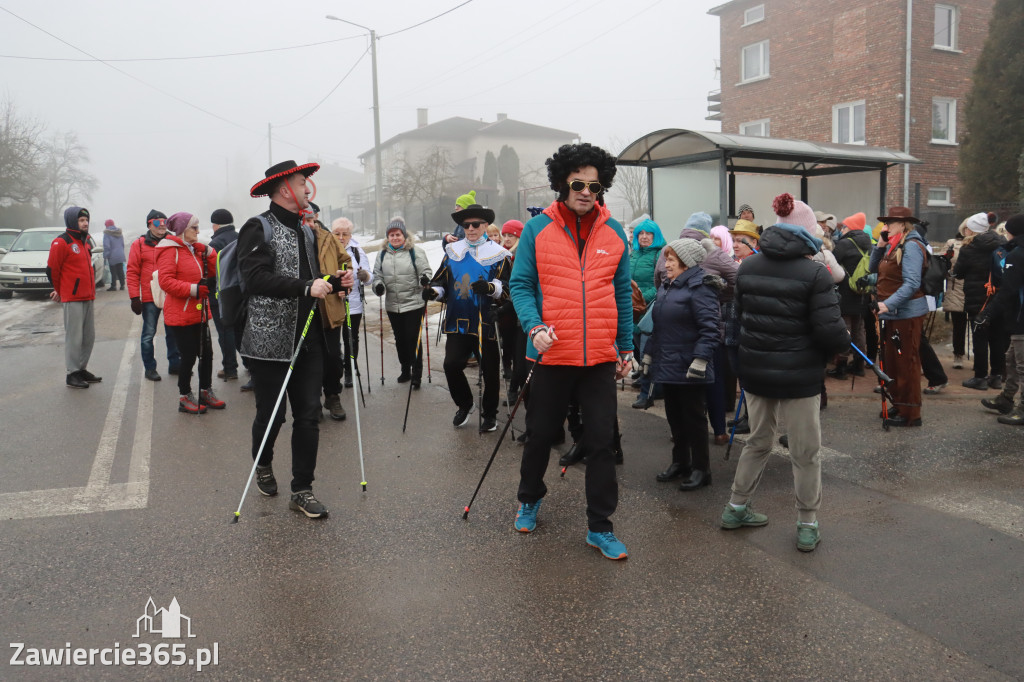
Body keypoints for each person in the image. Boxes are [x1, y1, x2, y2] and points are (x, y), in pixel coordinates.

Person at [509, 142, 633, 561]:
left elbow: (620, 294)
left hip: (598, 355)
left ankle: (600, 526)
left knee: (600, 443)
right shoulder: (536, 230)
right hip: (551, 353)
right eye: (578, 184)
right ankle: (529, 497)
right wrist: (534, 325)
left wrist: (627, 348)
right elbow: (520, 285)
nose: (585, 192)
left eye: (594, 187)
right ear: (563, 183)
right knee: (541, 435)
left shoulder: (614, 233)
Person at [721, 193, 848, 553]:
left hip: (757, 371)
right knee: (805, 452)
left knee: (758, 441)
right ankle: (807, 523)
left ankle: (736, 507)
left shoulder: (747, 266)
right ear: (808, 234)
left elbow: (743, 315)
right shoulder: (815, 273)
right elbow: (830, 331)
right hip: (799, 375)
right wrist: (843, 340)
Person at [238, 160, 354, 519]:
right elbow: (255, 279)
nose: (308, 189)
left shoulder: (307, 231)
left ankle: (302, 488)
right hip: (268, 342)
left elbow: (313, 278)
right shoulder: (257, 228)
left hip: (309, 337)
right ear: (284, 188)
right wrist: (306, 286)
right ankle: (263, 463)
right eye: (303, 182)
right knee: (272, 416)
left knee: (307, 414)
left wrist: (335, 282)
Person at [425, 204, 512, 431]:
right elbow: (441, 282)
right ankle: (465, 404)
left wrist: (491, 287)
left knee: (490, 370)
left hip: (485, 320)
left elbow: (508, 287)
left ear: (485, 226)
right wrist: (433, 292)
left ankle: (490, 414)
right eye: (466, 225)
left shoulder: (499, 255)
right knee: (451, 364)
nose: (471, 229)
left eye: (475, 225)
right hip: (458, 320)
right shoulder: (453, 252)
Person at [643, 238, 720, 489]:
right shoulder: (668, 286)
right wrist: (649, 353)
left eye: (671, 260)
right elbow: (660, 327)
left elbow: (710, 329)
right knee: (674, 416)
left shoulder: (701, 287)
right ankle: (680, 462)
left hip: (690, 366)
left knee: (694, 418)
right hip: (668, 363)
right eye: (667, 259)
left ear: (686, 264)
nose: (666, 265)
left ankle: (701, 469)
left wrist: (700, 359)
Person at [869, 207, 930, 427]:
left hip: (907, 314)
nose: (885, 228)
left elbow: (912, 283)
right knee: (894, 361)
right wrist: (880, 246)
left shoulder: (912, 246)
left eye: (889, 223)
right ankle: (899, 403)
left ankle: (911, 413)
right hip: (894, 313)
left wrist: (887, 304)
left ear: (903, 225)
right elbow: (872, 268)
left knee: (907, 362)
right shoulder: (894, 245)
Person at [157, 212, 223, 414]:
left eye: (198, 227)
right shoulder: (170, 251)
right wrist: (193, 289)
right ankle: (184, 396)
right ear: (182, 230)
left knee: (207, 354)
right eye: (193, 227)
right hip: (181, 314)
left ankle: (205, 390)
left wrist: (208, 251)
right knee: (188, 357)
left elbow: (213, 270)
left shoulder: (192, 250)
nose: (197, 231)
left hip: (199, 312)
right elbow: (165, 282)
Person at [371, 217, 432, 388]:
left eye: (398, 234)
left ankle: (417, 374)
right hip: (393, 305)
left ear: (404, 235)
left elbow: (425, 271)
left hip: (414, 303)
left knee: (413, 338)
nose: (395, 238)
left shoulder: (415, 251)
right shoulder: (382, 254)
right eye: (391, 235)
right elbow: (378, 275)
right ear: (387, 237)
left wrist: (425, 279)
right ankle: (405, 369)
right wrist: (379, 286)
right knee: (400, 339)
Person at [47, 206, 101, 389]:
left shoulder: (85, 242)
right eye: (81, 220)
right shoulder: (61, 242)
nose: (85, 223)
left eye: (86, 220)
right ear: (72, 222)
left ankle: (81, 369)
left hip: (88, 296)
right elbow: (53, 269)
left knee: (88, 337)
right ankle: (72, 373)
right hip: (72, 297)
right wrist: (59, 290)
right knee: (74, 337)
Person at [978, 214, 1024, 424]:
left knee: (1020, 364)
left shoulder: (1017, 255)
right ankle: (1006, 399)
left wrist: (988, 313)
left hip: (1020, 318)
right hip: (1016, 317)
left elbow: (1007, 290)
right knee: (1012, 360)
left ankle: (1022, 409)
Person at [954, 212, 1009, 390]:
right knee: (997, 337)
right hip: (999, 296)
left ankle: (980, 376)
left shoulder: (969, 248)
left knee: (980, 336)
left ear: (971, 229)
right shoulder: (1002, 243)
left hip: (978, 297)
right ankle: (996, 376)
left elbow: (959, 273)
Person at [127, 210, 181, 381]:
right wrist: (135, 297)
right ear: (149, 224)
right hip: (150, 297)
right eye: (157, 222)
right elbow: (132, 271)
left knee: (173, 331)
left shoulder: (173, 242)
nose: (162, 225)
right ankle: (150, 368)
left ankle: (175, 364)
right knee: (148, 333)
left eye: (164, 221)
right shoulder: (140, 244)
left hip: (171, 294)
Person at [312, 217, 351, 422]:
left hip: (331, 308)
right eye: (305, 219)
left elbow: (345, 261)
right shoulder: (293, 239)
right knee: (310, 360)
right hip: (306, 309)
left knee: (333, 356)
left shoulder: (328, 237)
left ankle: (333, 395)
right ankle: (313, 401)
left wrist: (345, 278)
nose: (309, 223)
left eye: (311, 219)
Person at [830, 213, 872, 379]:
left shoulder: (845, 243)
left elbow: (833, 263)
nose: (842, 229)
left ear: (850, 227)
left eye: (844, 226)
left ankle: (841, 367)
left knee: (844, 330)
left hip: (846, 292)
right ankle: (859, 365)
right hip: (862, 292)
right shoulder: (868, 243)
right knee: (859, 329)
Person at [332, 218, 372, 388]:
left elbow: (369, 277)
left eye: (345, 234)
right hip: (332, 301)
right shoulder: (327, 250)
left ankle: (350, 369)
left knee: (351, 339)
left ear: (350, 235)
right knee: (333, 340)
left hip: (353, 302)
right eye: (337, 233)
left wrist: (365, 276)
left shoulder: (357, 251)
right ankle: (334, 372)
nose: (341, 237)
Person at [208, 208, 240, 381]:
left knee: (225, 333)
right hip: (241, 292)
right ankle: (251, 366)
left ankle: (230, 369)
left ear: (216, 225)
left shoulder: (215, 244)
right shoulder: (240, 238)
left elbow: (212, 273)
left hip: (221, 295)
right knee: (242, 330)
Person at [943, 219, 970, 369]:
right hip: (956, 288)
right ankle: (958, 354)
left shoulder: (980, 244)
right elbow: (944, 262)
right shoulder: (952, 243)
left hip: (974, 288)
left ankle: (979, 359)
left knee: (977, 326)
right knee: (959, 324)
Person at [102, 219, 126, 291]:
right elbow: (122, 244)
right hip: (120, 254)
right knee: (120, 270)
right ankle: (122, 285)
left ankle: (113, 286)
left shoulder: (107, 233)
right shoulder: (119, 232)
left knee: (113, 271)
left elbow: (107, 246)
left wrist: (106, 255)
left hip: (112, 255)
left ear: (107, 225)